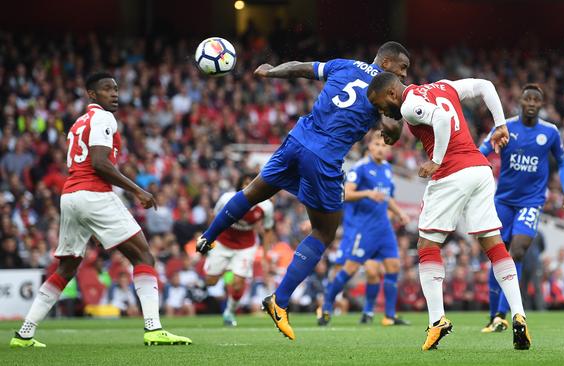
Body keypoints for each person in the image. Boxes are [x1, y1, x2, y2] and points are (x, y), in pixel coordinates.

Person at [196, 41, 411, 340]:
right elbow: (393, 128)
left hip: (297, 139)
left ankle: (209, 235)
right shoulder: (384, 90)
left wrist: (272, 72)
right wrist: (393, 126)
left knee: (254, 191)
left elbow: (300, 67)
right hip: (323, 158)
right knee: (323, 233)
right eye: (402, 69)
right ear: (386, 64)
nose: (403, 77)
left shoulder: (344, 64)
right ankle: (279, 301)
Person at [9, 72, 191, 348]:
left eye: (116, 89)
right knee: (143, 254)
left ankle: (24, 333)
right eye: (107, 89)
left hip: (70, 197)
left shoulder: (77, 123)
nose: (114, 94)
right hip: (93, 193)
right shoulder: (103, 118)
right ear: (92, 94)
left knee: (67, 267)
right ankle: (154, 328)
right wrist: (137, 190)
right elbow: (99, 163)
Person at [367, 72, 530, 350]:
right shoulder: (443, 86)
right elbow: (486, 85)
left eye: (380, 103)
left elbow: (441, 120)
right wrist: (500, 124)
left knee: (427, 245)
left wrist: (436, 160)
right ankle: (519, 314)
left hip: (452, 173)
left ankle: (437, 321)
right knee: (493, 245)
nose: (382, 110)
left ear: (392, 93)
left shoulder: (408, 104)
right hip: (480, 171)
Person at [478, 84, 564, 333]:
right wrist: (474, 172)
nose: (531, 103)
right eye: (527, 98)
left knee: (517, 252)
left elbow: (562, 162)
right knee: (498, 256)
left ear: (541, 105)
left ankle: (505, 314)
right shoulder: (505, 127)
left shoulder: (550, 132)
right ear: (520, 100)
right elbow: (482, 152)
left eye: (536, 100)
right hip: (504, 201)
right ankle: (494, 315)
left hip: (531, 202)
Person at [317, 131, 410, 326]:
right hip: (363, 229)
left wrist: (399, 212)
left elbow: (386, 196)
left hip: (383, 228)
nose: (380, 148)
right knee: (349, 269)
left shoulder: (386, 169)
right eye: (377, 144)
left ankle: (389, 316)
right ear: (369, 147)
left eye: (384, 146)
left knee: (392, 267)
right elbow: (346, 194)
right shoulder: (360, 169)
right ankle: (326, 304)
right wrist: (367, 193)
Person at [202, 173, 274, 327]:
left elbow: (268, 230)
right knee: (210, 282)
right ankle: (228, 270)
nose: (249, 187)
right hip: (222, 242)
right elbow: (213, 217)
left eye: (253, 183)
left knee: (238, 283)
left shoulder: (266, 206)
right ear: (240, 185)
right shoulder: (227, 198)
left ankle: (229, 312)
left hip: (246, 246)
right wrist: (209, 239)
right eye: (246, 183)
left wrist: (265, 255)